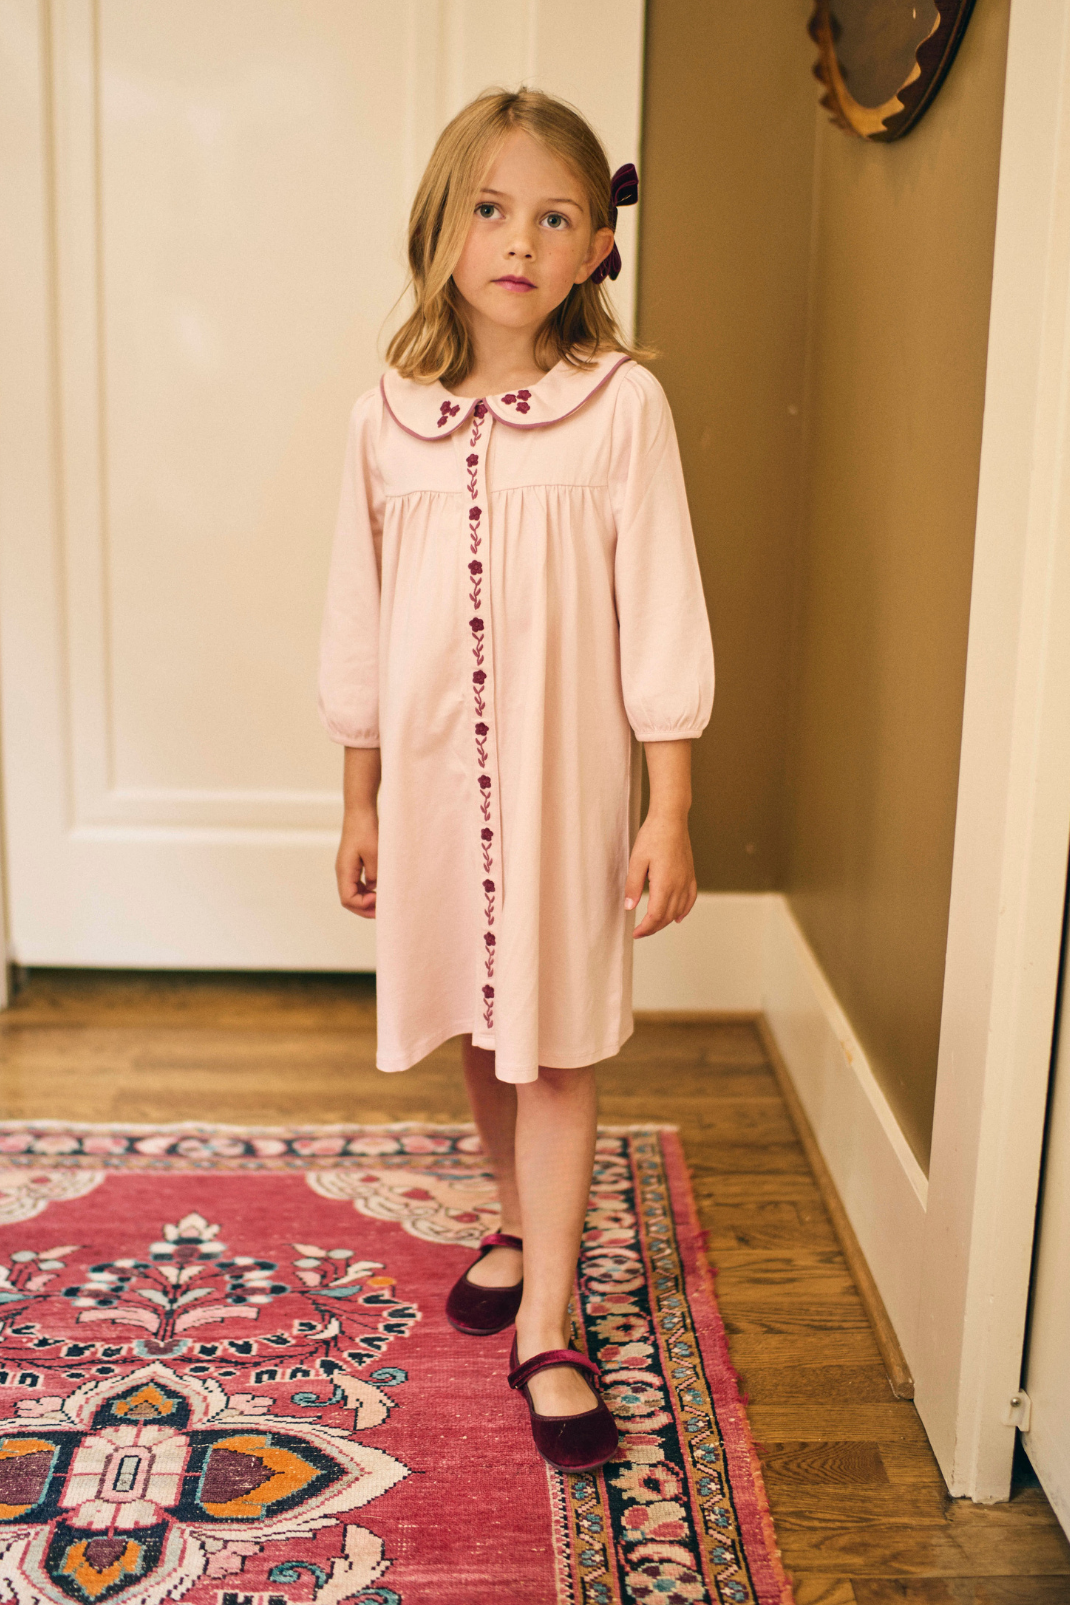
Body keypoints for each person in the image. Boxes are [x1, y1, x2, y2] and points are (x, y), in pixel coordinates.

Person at [319, 87, 713, 1474]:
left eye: (556, 217)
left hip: (561, 789)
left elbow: (662, 612)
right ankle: (512, 1214)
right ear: (440, 227)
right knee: (484, 1030)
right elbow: (358, 620)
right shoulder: (389, 420)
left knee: (552, 1034)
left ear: (595, 250)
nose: (519, 241)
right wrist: (359, 797)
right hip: (427, 785)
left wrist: (666, 808)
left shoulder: (622, 409)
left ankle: (550, 1318)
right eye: (491, 208)